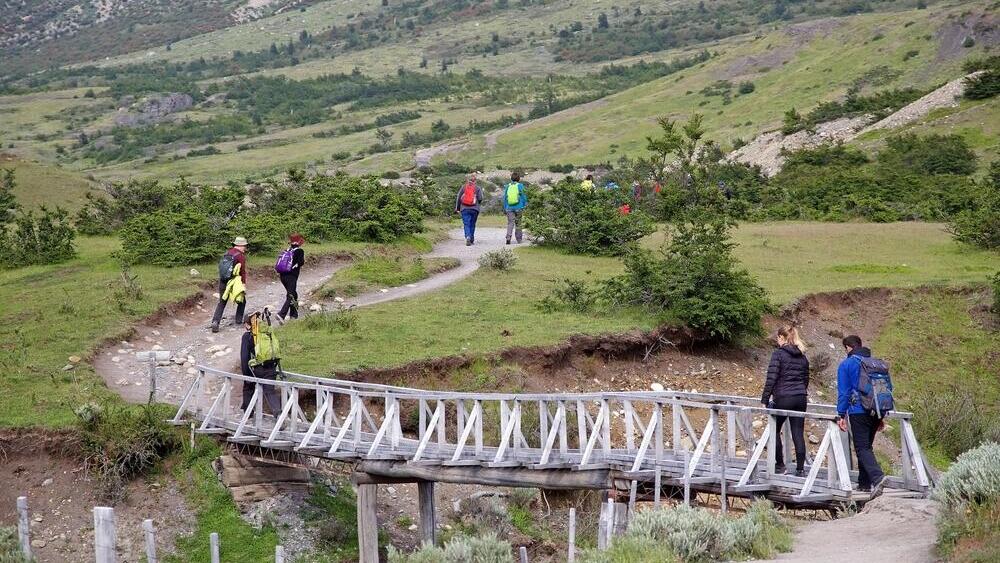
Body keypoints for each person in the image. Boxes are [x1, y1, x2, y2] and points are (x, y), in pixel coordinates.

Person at [836, 335, 887, 496]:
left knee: (862, 447)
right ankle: (864, 483)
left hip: (858, 410)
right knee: (867, 446)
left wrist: (840, 414)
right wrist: (881, 416)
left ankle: (877, 478)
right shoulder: (876, 364)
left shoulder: (847, 364)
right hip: (877, 410)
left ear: (848, 348)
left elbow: (844, 393)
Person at [760, 325, 810, 476]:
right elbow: (806, 379)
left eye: (777, 338)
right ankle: (800, 469)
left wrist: (765, 399)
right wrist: (800, 391)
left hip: (783, 397)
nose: (777, 341)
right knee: (798, 432)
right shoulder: (803, 356)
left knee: (774, 430)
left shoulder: (778, 354)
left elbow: (772, 378)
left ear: (782, 337)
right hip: (800, 398)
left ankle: (780, 465)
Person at [240, 312, 282, 415]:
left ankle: (248, 414)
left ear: (247, 324)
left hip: (258, 368)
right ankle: (278, 415)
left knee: (248, 387)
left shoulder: (247, 336)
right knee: (270, 391)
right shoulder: (267, 333)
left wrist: (246, 376)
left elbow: (245, 357)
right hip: (271, 366)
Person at [211, 236, 248, 333]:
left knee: (222, 302)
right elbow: (242, 272)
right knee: (242, 300)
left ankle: (215, 321)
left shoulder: (227, 253)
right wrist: (243, 284)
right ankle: (238, 321)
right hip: (234, 282)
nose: (245, 247)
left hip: (223, 281)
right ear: (240, 245)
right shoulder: (240, 256)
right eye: (244, 245)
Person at [276, 233, 306, 322]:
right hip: (291, 277)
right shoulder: (300, 251)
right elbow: (301, 262)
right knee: (291, 295)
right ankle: (281, 314)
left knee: (294, 294)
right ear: (299, 241)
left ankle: (294, 315)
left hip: (282, 276)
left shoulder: (286, 250)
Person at [455, 174, 484, 246]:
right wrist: (478, 204)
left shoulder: (463, 187)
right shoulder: (478, 188)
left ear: (468, 180)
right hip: (475, 209)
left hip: (464, 209)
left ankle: (467, 236)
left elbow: (458, 197)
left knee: (466, 224)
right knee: (472, 224)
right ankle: (471, 239)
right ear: (475, 181)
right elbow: (480, 198)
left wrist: (457, 208)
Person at [502, 172, 527, 245]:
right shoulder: (520, 185)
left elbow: (505, 198)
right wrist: (525, 204)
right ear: (518, 178)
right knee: (518, 223)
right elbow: (523, 196)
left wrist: (505, 207)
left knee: (510, 223)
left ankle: (508, 237)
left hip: (509, 208)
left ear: (511, 178)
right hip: (519, 207)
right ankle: (519, 239)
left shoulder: (507, 186)